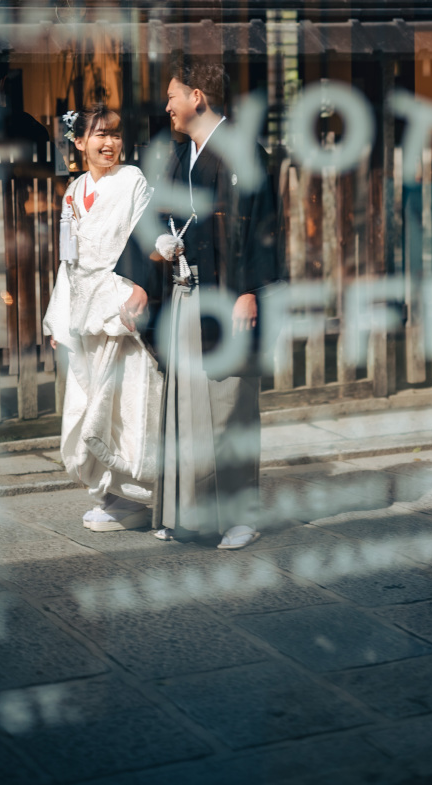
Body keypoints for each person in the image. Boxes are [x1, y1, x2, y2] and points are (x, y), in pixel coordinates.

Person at [116, 55, 277, 550]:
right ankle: (186, 512)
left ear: (197, 98)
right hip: (186, 294)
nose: (166, 105)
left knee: (228, 405)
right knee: (186, 407)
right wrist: (144, 277)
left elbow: (266, 230)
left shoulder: (243, 151)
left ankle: (240, 515)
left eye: (172, 95)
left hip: (228, 295)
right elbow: (154, 217)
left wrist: (250, 290)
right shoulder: (180, 154)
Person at [43, 104, 164, 531]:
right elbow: (68, 261)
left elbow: (147, 238)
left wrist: (141, 288)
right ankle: (112, 495)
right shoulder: (73, 191)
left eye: (115, 134)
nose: (110, 143)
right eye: (100, 136)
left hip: (120, 302)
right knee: (89, 400)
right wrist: (59, 317)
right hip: (83, 307)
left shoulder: (132, 181)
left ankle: (138, 497)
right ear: (79, 143)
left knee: (125, 404)